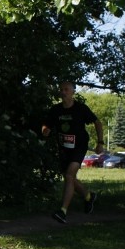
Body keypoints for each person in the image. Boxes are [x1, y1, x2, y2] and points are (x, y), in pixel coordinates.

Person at [41, 81, 103, 223]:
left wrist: (100, 142)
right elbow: (46, 124)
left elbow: (97, 122)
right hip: (63, 148)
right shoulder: (56, 110)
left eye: (66, 89)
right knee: (70, 178)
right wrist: (44, 130)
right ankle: (88, 196)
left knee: (69, 175)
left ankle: (63, 211)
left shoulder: (80, 108)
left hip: (79, 146)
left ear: (73, 91)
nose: (63, 92)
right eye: (61, 89)